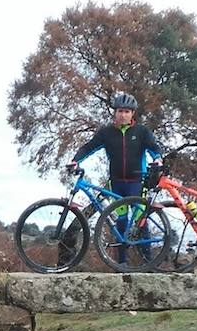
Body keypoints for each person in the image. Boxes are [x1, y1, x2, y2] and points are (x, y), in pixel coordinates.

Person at [66, 92, 165, 263]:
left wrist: (157, 158)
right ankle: (122, 262)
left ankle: (149, 262)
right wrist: (75, 160)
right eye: (120, 111)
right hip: (116, 182)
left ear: (132, 113)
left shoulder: (141, 131)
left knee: (140, 219)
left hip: (136, 182)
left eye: (127, 111)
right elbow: (89, 147)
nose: (123, 114)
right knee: (121, 220)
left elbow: (154, 147)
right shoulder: (107, 133)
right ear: (115, 113)